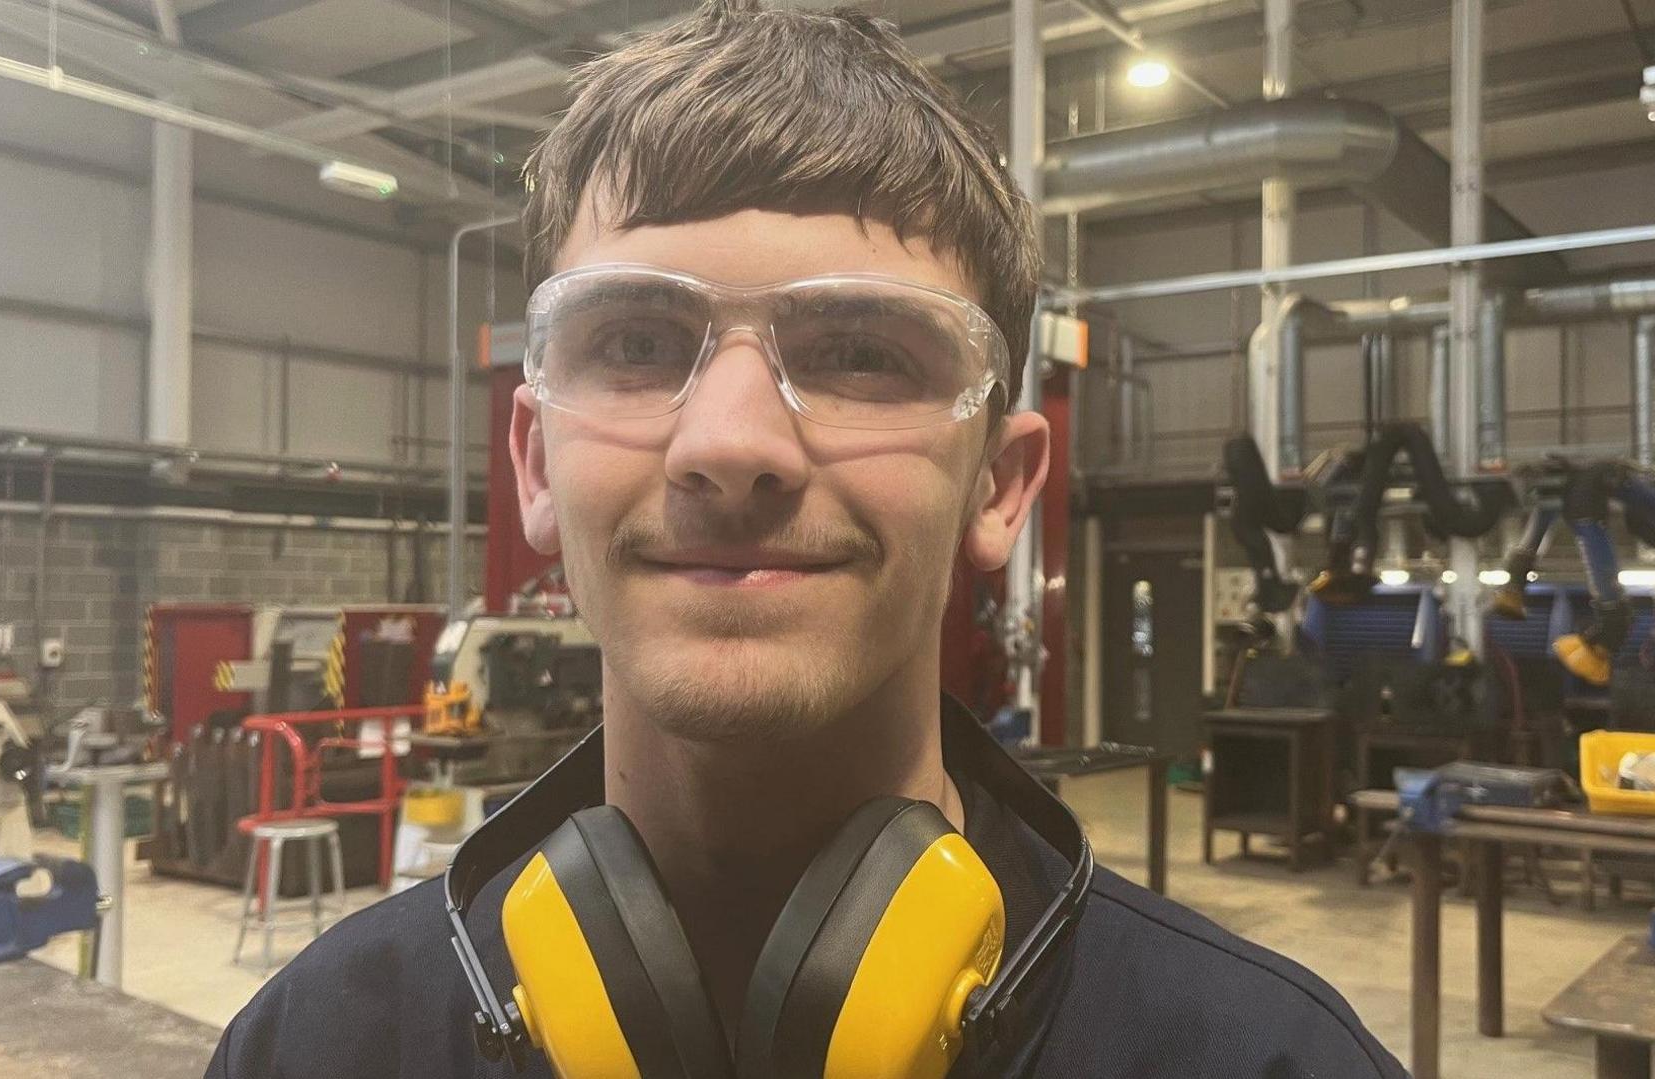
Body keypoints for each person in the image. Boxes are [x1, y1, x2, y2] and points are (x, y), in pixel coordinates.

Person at [206, 3, 1401, 1076]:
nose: (728, 442)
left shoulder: (1266, 1061)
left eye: (862, 352)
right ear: (531, 460)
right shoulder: (314, 1048)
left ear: (1000, 484)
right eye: (634, 342)